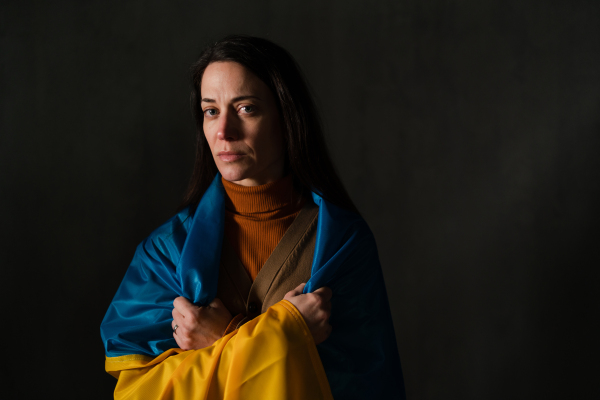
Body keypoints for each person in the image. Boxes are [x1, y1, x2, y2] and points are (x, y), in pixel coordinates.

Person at [101, 35, 406, 399]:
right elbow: (141, 392)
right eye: (211, 111)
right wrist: (288, 334)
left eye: (246, 108)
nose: (223, 131)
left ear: (285, 116)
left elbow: (361, 388)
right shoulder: (166, 253)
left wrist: (222, 335)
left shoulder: (340, 243)